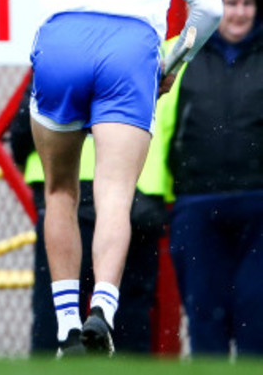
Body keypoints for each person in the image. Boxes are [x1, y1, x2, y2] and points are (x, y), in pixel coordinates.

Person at [0, 0, 223, 356]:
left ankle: (67, 323)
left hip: (63, 40)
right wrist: (169, 66)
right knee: (115, 195)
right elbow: (209, 7)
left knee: (60, 192)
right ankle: (103, 312)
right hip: (132, 49)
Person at [10, 82, 170, 355]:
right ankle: (104, 310)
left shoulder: (60, 46)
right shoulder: (154, 51)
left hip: (66, 199)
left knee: (53, 314)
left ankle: (68, 330)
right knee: (129, 320)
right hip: (135, 200)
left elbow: (26, 126)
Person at [159, 0, 263, 358]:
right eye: (230, 2)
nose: (238, 13)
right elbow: (155, 128)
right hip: (196, 204)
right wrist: (149, 194)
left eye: (247, 4)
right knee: (205, 316)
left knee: (257, 315)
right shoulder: (178, 54)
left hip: (258, 205)